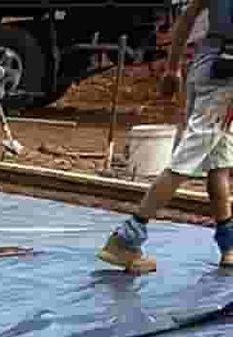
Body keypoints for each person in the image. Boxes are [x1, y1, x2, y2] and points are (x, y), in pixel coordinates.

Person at [99, 0, 233, 273]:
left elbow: (187, 16)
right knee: (184, 163)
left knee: (219, 161)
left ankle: (228, 245)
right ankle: (126, 240)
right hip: (226, 79)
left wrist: (173, 68)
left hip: (206, 65)